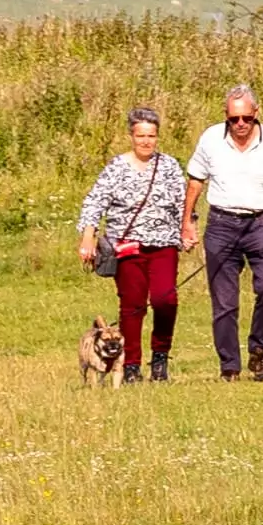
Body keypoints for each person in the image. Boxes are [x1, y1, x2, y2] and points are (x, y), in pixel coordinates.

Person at [188, 71, 263, 380]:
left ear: (256, 114)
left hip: (260, 224)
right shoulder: (211, 139)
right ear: (226, 117)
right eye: (233, 119)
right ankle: (229, 367)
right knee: (224, 302)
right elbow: (196, 181)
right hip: (221, 224)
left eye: (245, 119)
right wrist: (188, 221)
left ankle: (260, 351)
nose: (240, 125)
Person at [75, 100, 186, 379]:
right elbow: (94, 202)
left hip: (164, 244)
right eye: (141, 135)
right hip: (127, 247)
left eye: (151, 135)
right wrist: (88, 238)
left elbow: (184, 204)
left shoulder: (169, 166)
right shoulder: (116, 168)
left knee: (165, 299)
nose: (146, 141)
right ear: (131, 136)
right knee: (132, 305)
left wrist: (189, 229)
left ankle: (160, 357)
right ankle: (131, 364)